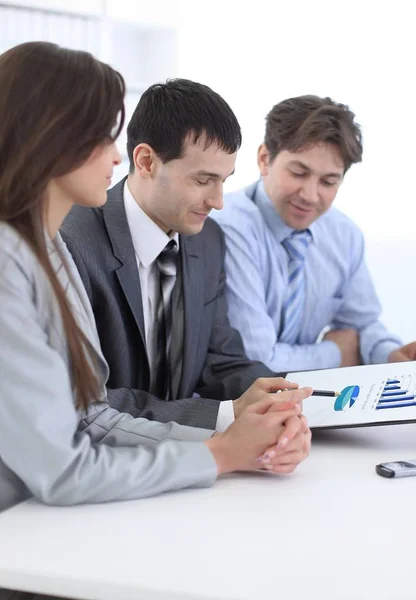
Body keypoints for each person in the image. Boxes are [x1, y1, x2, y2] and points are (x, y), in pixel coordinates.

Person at [0, 42, 311, 600]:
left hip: (67, 524)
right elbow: (66, 465)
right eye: (100, 139)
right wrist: (219, 451)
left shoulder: (48, 250)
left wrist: (254, 420)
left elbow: (90, 417)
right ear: (49, 139)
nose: (114, 158)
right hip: (25, 543)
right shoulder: (33, 253)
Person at [60, 78, 276, 433]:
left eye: (224, 180)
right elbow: (87, 402)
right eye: (203, 180)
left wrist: (287, 396)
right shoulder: (72, 241)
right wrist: (225, 416)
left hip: (190, 464)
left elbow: (218, 363)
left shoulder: (208, 240)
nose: (218, 201)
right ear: (146, 161)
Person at [212, 94, 416, 373]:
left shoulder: (343, 235)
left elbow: (361, 324)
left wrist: (392, 355)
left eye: (328, 181)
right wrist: (336, 354)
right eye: (298, 173)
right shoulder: (229, 227)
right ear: (264, 160)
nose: (310, 195)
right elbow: (257, 357)